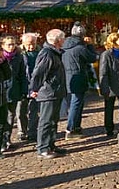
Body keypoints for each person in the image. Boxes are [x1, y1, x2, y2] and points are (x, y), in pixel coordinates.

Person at [30, 29, 67, 159]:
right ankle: (43, 148)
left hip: (55, 91)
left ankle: (51, 144)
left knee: (53, 120)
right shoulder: (47, 53)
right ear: (58, 40)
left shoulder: (55, 53)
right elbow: (39, 72)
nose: (64, 41)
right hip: (48, 92)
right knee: (46, 120)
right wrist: (34, 89)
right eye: (63, 38)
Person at [61, 23, 97, 138]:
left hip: (67, 77)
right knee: (76, 104)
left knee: (75, 103)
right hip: (78, 76)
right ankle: (70, 129)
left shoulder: (64, 46)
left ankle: (76, 127)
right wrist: (90, 45)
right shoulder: (80, 48)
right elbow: (92, 58)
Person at [1, 36, 27, 150]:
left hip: (14, 90)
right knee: (1, 117)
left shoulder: (19, 57)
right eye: (9, 44)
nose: (11, 47)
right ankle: (0, 140)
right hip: (1, 91)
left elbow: (22, 75)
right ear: (3, 46)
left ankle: (7, 139)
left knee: (10, 116)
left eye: (13, 44)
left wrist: (23, 91)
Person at [98, 32, 119, 138]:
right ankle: (109, 129)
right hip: (110, 85)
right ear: (114, 42)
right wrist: (104, 88)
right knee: (109, 109)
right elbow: (103, 72)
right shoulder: (106, 54)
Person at [19, 33, 41, 143]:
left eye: (33, 44)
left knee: (34, 110)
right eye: (28, 44)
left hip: (35, 85)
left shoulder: (40, 52)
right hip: (22, 84)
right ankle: (22, 131)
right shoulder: (18, 53)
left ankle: (32, 132)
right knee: (21, 110)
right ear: (23, 43)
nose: (31, 47)